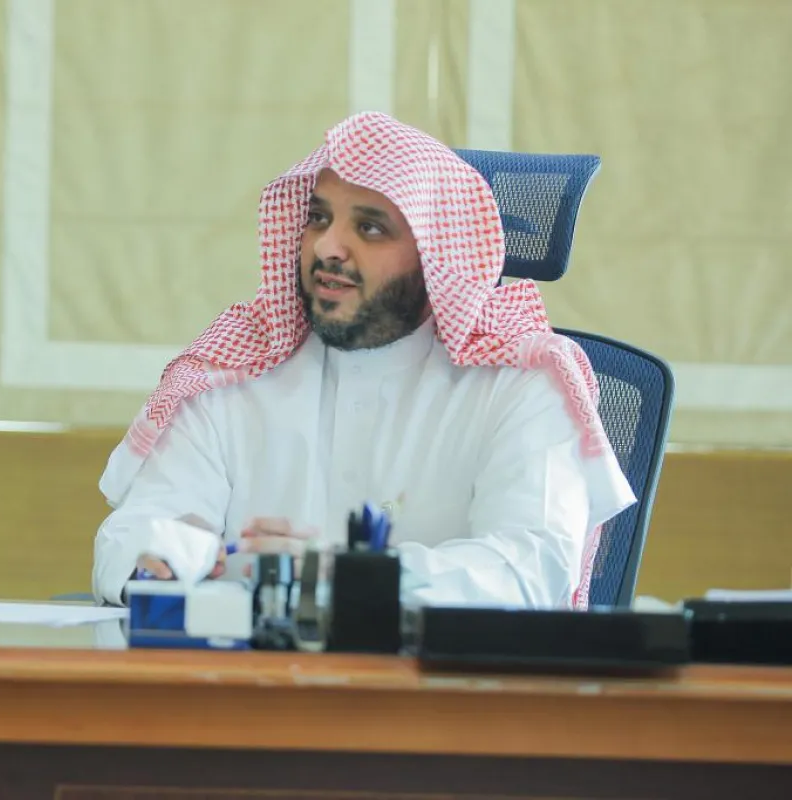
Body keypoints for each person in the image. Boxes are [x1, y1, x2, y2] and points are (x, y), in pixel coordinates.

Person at [92, 112, 635, 609]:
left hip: (442, 686)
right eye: (318, 218)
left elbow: (530, 572)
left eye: (370, 228)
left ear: (434, 255)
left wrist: (345, 577)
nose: (327, 247)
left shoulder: (521, 384)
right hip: (254, 681)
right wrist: (171, 560)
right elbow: (133, 536)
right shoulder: (229, 376)